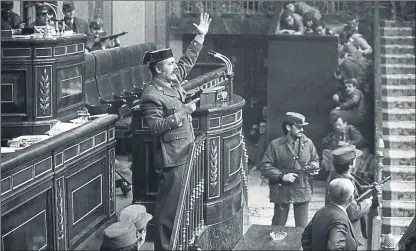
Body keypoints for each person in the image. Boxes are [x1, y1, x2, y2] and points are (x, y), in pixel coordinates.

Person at [139, 12, 212, 251]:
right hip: (172, 158)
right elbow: (154, 127)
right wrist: (183, 113)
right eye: (170, 64)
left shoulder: (171, 81)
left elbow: (187, 62)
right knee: (168, 210)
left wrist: (200, 37)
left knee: (183, 204)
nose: (175, 67)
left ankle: (181, 243)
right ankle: (165, 248)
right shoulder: (152, 95)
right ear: (159, 69)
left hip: (184, 151)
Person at [260, 112, 320, 227]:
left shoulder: (308, 143)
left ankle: (301, 245)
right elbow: (265, 166)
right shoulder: (275, 145)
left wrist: (313, 166)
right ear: (288, 127)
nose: (302, 130)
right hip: (282, 188)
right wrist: (282, 176)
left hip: (302, 187)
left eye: (303, 127)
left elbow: (315, 160)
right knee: (278, 225)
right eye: (299, 127)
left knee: (302, 227)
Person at [325, 145, 382, 247]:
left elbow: (355, 191)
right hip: (346, 233)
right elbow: (353, 212)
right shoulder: (343, 183)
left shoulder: (340, 175)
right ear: (351, 163)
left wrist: (369, 188)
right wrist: (368, 202)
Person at [302, 178, 358, 250]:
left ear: (329, 195)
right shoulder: (340, 219)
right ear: (351, 198)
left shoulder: (321, 211)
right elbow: (334, 247)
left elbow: (306, 237)